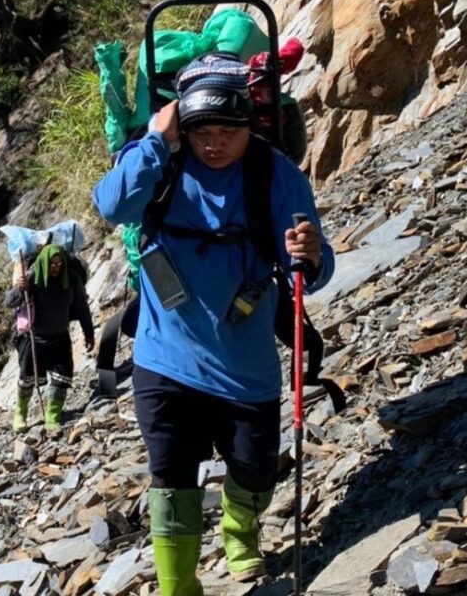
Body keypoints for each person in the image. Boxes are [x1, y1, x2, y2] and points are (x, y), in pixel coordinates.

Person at [91, 54, 334, 593]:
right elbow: (110, 205)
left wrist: (311, 255)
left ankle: (239, 529)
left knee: (254, 471)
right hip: (164, 354)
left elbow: (310, 274)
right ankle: (179, 585)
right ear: (183, 123)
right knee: (170, 478)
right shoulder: (161, 159)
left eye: (229, 131)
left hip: (243, 363)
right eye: (203, 131)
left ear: (250, 124)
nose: (215, 144)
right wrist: (156, 139)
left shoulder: (275, 175)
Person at [4, 244, 96, 434]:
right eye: (52, 264)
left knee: (61, 378)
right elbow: (10, 302)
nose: (56, 267)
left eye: (59, 263)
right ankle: (20, 414)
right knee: (27, 379)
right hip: (33, 339)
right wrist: (18, 288)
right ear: (44, 262)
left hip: (60, 338)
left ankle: (52, 417)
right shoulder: (32, 278)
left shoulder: (71, 280)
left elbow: (82, 308)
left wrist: (89, 333)